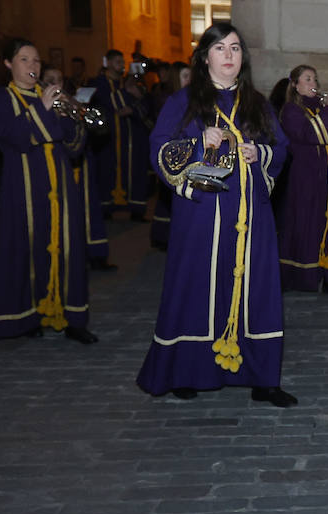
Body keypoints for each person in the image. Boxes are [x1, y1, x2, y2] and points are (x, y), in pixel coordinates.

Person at [137, 23, 295, 406]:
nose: (229, 55)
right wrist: (195, 146)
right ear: (205, 55)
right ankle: (186, 370)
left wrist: (262, 155)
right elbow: (159, 148)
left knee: (255, 288)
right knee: (197, 286)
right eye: (220, 47)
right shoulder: (184, 102)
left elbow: (281, 147)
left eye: (236, 48)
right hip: (202, 213)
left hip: (250, 215)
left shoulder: (256, 102)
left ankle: (262, 377)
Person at [0, 38, 97, 344]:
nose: (32, 66)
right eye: (24, 60)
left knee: (70, 248)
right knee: (25, 248)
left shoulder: (50, 97)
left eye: (36, 61)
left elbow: (73, 149)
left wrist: (76, 117)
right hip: (23, 188)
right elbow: (13, 138)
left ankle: (74, 318)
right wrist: (43, 107)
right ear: (8, 64)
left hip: (61, 186)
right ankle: (27, 318)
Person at [277, 65, 328, 296]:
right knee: (305, 224)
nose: (314, 84)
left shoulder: (320, 107)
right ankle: (300, 275)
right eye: (307, 79)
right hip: (305, 176)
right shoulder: (290, 111)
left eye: (315, 79)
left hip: (327, 175)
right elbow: (310, 134)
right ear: (295, 85)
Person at [44, 66, 113, 271]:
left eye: (58, 79)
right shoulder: (41, 106)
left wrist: (78, 109)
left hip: (82, 162)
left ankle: (96, 254)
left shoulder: (71, 102)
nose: (55, 84)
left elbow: (99, 130)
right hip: (58, 165)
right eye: (49, 80)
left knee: (90, 207)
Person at [92, 49, 151, 221]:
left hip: (132, 139)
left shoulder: (129, 84)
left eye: (122, 61)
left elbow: (144, 106)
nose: (122, 64)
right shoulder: (99, 83)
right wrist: (126, 93)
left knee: (135, 172)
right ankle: (106, 208)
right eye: (117, 61)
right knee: (107, 171)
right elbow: (108, 103)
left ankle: (136, 209)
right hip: (109, 139)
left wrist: (134, 102)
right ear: (108, 63)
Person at [148, 62, 192, 251]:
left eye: (191, 76)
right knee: (166, 198)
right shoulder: (171, 100)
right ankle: (161, 235)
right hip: (170, 154)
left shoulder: (191, 101)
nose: (189, 81)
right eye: (184, 76)